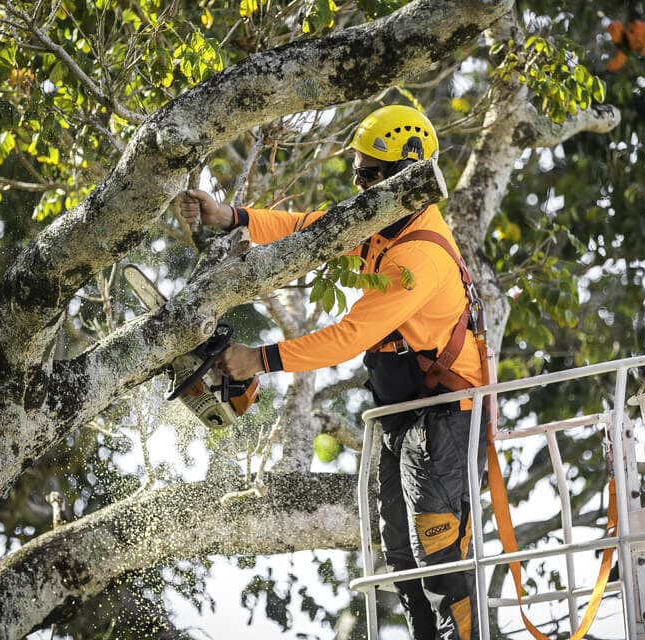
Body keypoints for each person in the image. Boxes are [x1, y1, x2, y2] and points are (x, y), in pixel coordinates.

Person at [179, 105, 489, 640]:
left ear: (405, 174)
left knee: (434, 542)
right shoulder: (382, 223)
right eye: (359, 172)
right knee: (399, 555)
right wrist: (228, 216)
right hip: (403, 412)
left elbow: (350, 336)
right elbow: (310, 229)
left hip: (447, 414)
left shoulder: (418, 255)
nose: (361, 185)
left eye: (371, 174)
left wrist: (262, 359)